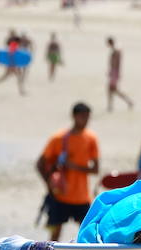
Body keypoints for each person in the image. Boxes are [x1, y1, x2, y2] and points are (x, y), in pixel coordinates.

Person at [36, 102, 100, 239]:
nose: (85, 120)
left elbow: (95, 170)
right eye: (82, 116)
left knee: (89, 235)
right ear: (74, 116)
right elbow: (40, 163)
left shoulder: (91, 138)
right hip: (60, 195)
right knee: (54, 236)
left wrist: (73, 166)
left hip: (82, 196)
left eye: (88, 117)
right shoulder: (58, 139)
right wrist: (49, 184)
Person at [106, 37, 134, 111]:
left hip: (114, 72)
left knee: (112, 89)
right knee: (111, 90)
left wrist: (115, 73)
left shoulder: (116, 50)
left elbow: (117, 63)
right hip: (114, 72)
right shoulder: (115, 49)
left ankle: (128, 102)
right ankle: (111, 106)